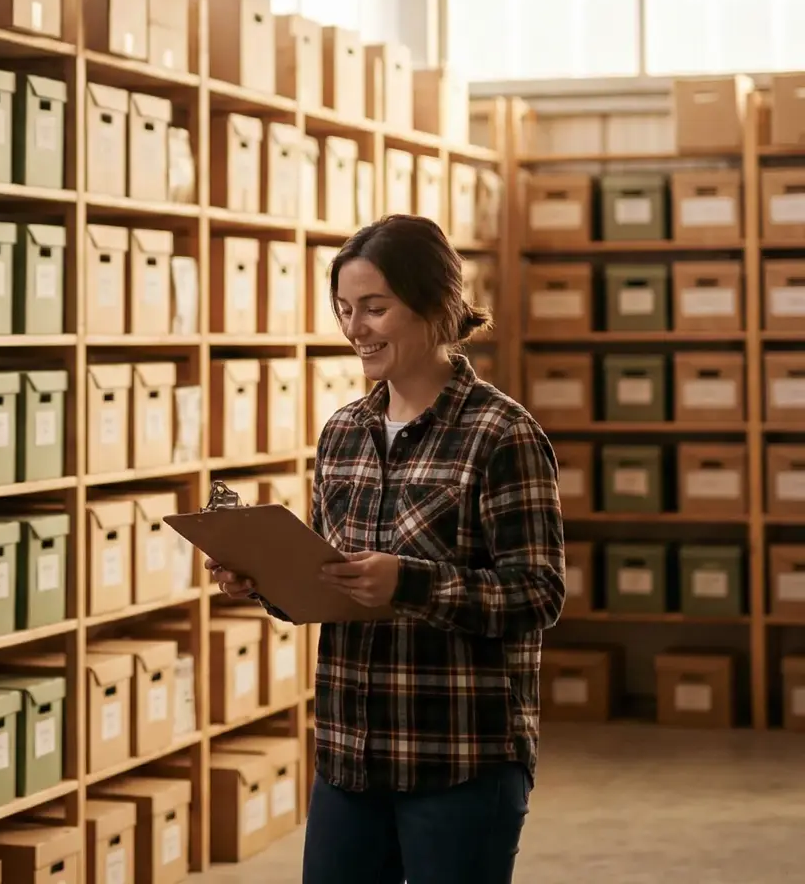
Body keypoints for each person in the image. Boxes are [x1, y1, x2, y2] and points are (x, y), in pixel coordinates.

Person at [207, 214, 564, 884]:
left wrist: (410, 584)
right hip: (349, 757)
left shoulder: (502, 435)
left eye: (375, 308)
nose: (355, 330)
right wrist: (262, 580)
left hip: (459, 758)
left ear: (436, 306)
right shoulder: (344, 432)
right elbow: (326, 586)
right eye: (345, 310)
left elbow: (537, 595)